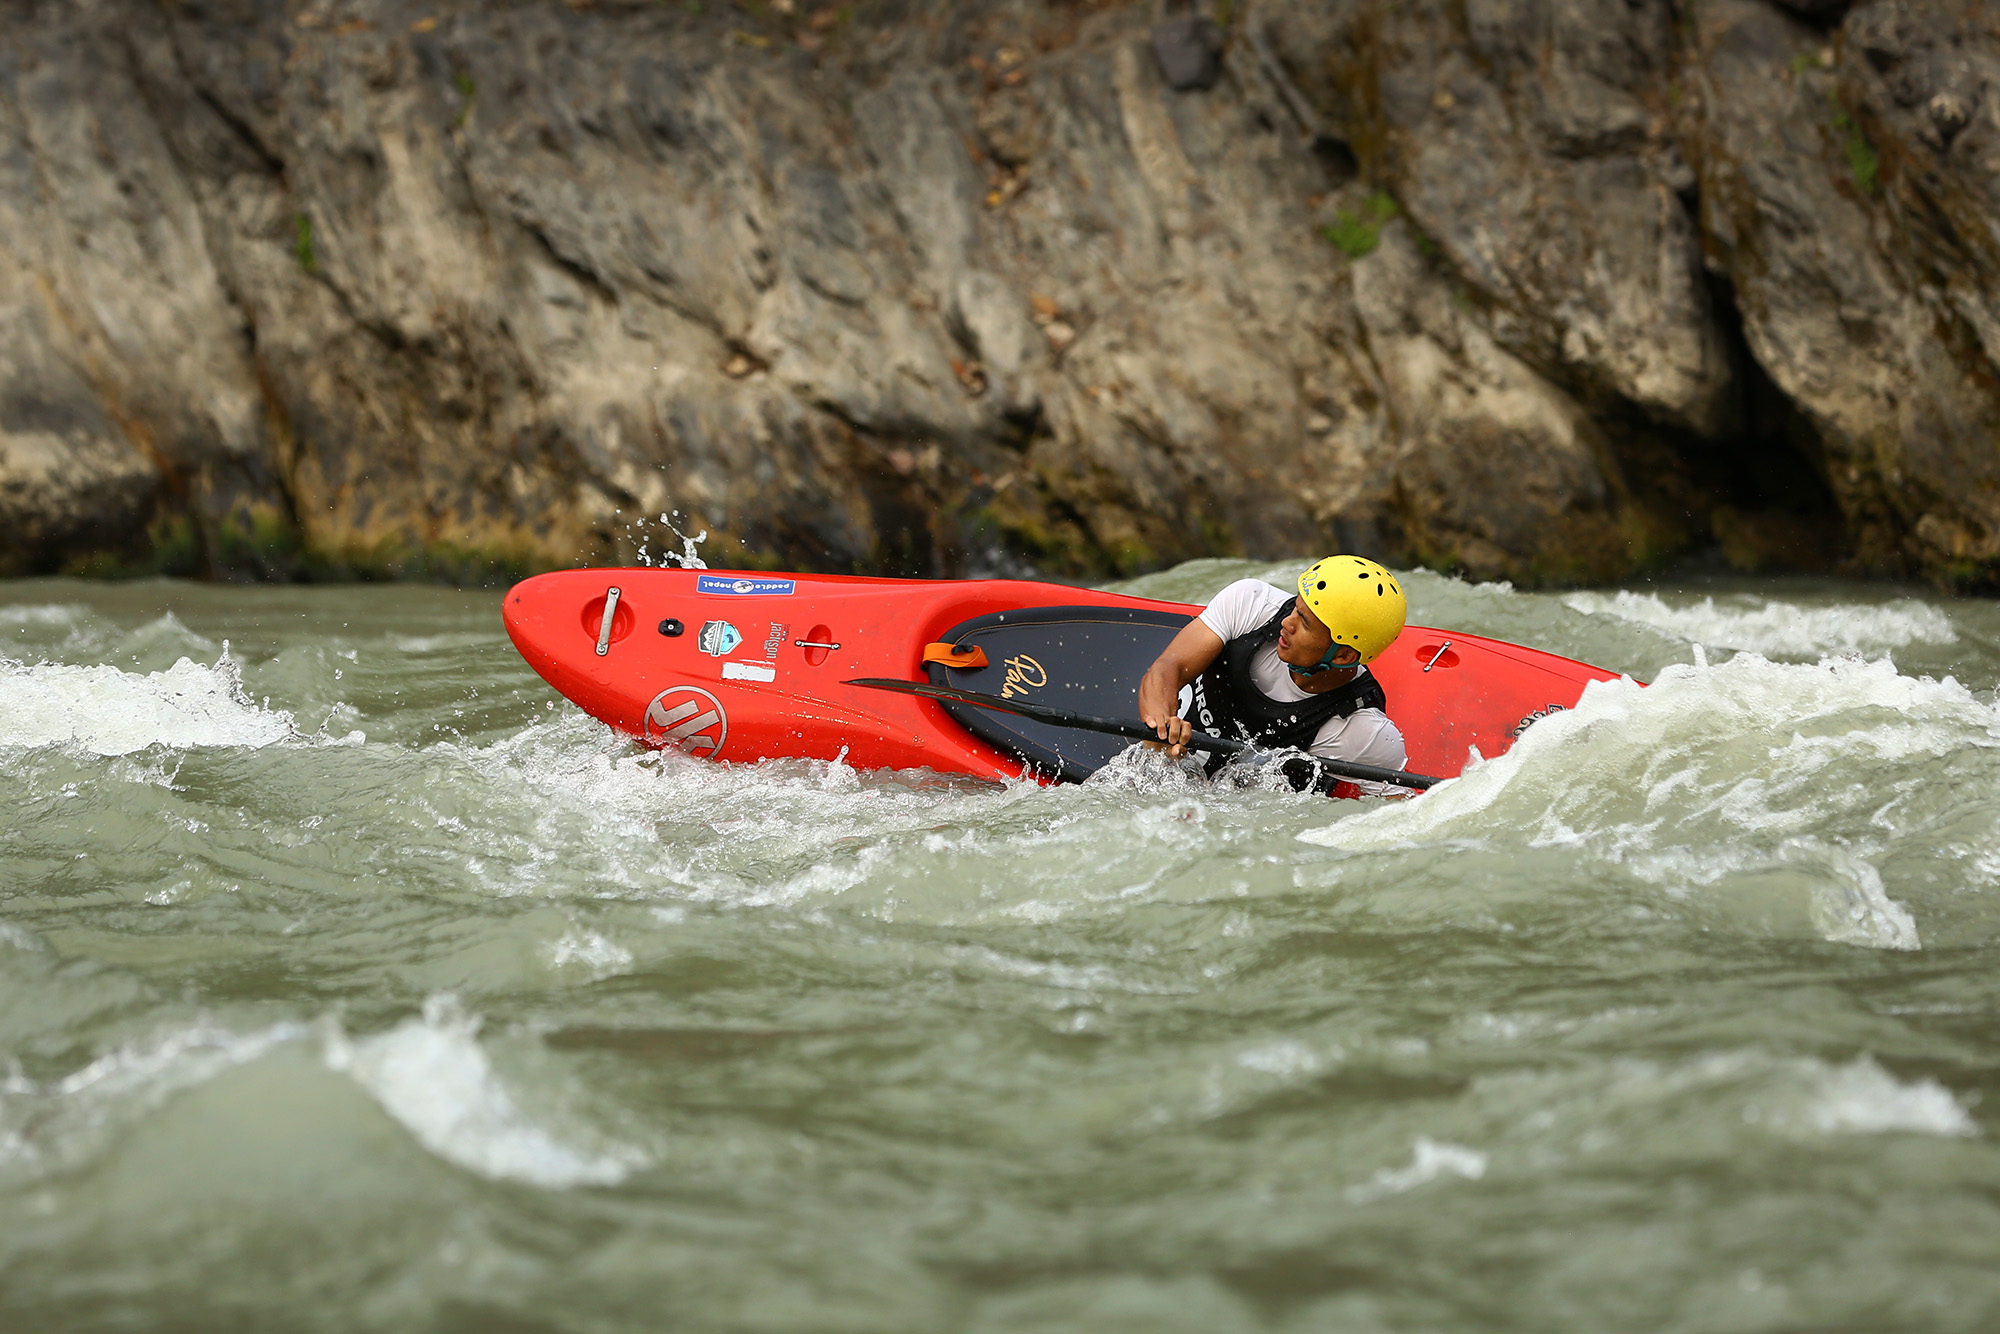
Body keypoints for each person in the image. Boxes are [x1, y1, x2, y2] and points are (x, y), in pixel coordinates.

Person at [1136, 555, 1409, 797]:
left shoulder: (1364, 733)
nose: (1286, 622)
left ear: (1343, 657)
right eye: (1296, 608)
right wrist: (1160, 726)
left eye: (1305, 622)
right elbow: (1167, 667)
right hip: (1166, 779)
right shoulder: (1250, 603)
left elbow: (1395, 822)